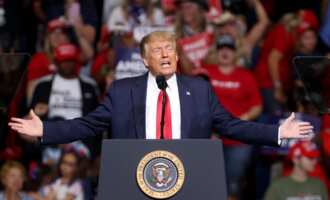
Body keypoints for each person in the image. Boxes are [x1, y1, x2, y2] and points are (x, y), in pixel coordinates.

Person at [9, 31, 312, 147]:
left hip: (189, 182)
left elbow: (231, 125)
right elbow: (88, 125)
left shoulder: (200, 90)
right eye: (157, 50)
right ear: (144, 60)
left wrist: (276, 133)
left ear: (178, 57)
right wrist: (46, 131)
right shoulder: (122, 90)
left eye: (170, 49)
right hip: (133, 182)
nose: (166, 54)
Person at [203, 35, 262, 200]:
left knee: (233, 184)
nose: (225, 52)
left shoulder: (246, 76)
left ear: (235, 53)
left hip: (238, 140)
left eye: (229, 49)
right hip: (210, 137)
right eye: (221, 48)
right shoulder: (206, 73)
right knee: (207, 182)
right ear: (216, 52)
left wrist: (242, 118)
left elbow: (257, 106)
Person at [264, 140, 328, 200]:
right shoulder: (277, 187)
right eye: (310, 157)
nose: (314, 161)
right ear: (296, 159)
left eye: (315, 158)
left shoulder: (319, 185)